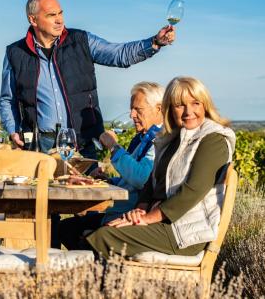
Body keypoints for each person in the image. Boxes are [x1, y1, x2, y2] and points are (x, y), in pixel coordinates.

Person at [0, 0, 175, 159]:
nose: (60, 20)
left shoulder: (81, 40)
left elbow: (118, 54)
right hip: (39, 145)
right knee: (41, 191)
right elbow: (8, 99)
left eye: (61, 13)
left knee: (85, 190)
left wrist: (154, 43)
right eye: (52, 15)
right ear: (33, 19)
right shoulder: (15, 53)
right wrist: (13, 130)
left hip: (81, 143)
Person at [87, 76, 236, 259]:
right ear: (170, 110)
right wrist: (140, 210)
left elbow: (192, 191)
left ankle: (91, 283)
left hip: (185, 232)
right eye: (180, 105)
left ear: (205, 104)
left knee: (103, 236)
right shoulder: (173, 139)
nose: (188, 111)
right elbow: (152, 182)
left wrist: (148, 218)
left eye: (195, 103)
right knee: (89, 231)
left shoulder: (213, 140)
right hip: (164, 224)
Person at [59, 82, 164, 250]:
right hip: (119, 211)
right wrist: (109, 180)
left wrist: (114, 147)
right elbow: (130, 181)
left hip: (129, 215)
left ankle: (88, 270)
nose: (131, 115)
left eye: (138, 110)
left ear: (159, 109)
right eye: (131, 109)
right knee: (64, 228)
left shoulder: (160, 140)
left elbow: (142, 178)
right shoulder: (142, 138)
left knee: (64, 230)